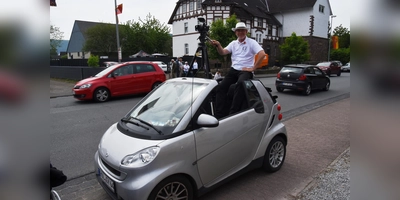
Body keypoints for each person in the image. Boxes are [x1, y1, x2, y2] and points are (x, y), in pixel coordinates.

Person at [210, 22, 266, 118]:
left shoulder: (251, 42)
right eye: (238, 30)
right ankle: (219, 114)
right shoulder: (233, 43)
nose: (240, 32)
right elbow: (223, 52)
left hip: (245, 70)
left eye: (242, 30)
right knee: (220, 87)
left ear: (246, 31)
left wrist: (253, 68)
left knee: (240, 84)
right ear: (235, 32)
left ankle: (232, 113)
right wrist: (218, 45)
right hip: (234, 69)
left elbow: (262, 54)